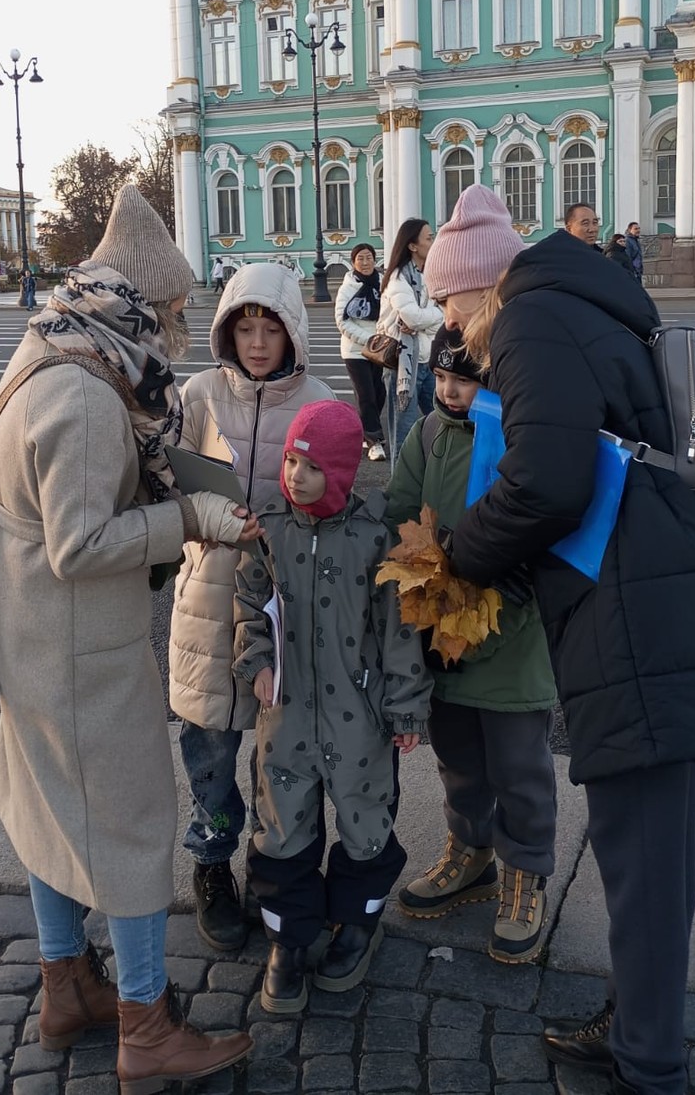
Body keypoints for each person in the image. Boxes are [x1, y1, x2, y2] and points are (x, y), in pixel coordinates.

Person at [447, 228, 695, 1095]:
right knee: (652, 857)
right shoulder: (584, 306)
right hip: (652, 592)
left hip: (635, 608)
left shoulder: (527, 321)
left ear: (481, 288)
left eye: (446, 300)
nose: (445, 325)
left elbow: (549, 478)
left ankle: (651, 1067)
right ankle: (637, 1024)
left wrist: (462, 552)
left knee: (646, 865)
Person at [0, 185, 255, 1086]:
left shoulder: (49, 344)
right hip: (75, 643)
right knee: (134, 817)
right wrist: (190, 517)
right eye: (175, 312)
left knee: (49, 803)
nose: (177, 332)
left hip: (27, 626)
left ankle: (66, 987)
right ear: (140, 303)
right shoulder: (89, 397)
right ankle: (145, 1022)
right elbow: (80, 543)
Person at [234, 401, 431, 1014]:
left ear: (342, 473)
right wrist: (256, 660)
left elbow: (399, 632)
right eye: (291, 461)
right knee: (282, 822)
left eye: (311, 467)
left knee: (364, 820)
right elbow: (248, 603)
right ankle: (288, 939)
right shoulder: (269, 528)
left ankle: (357, 923)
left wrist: (405, 710)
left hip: (359, 719)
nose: (295, 476)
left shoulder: (375, 539)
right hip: (286, 716)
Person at [170, 264, 334, 951]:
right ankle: (211, 862)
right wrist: (209, 515)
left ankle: (276, 870)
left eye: (270, 327)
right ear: (228, 328)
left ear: (292, 330)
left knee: (281, 753)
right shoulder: (199, 393)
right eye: (246, 325)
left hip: (283, 602)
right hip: (209, 596)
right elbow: (165, 492)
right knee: (210, 747)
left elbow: (339, 498)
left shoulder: (321, 399)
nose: (258, 341)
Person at [387, 325, 557, 965]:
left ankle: (525, 870)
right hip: (442, 628)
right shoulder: (427, 435)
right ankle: (471, 851)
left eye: (468, 379)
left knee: (520, 766)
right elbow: (399, 512)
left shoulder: (521, 437)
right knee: (458, 754)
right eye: (444, 377)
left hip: (512, 634)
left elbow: (548, 519)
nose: (453, 391)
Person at [376, 219, 442, 464]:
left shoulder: (429, 275)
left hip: (426, 361)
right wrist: (435, 318)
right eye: (428, 237)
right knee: (403, 436)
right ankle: (399, 494)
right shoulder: (397, 278)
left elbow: (441, 315)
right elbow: (411, 318)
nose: (432, 242)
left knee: (442, 422)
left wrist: (429, 320)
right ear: (412, 245)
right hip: (402, 367)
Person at [335, 242, 387, 461]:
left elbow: (390, 313)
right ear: (353, 262)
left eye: (369, 258)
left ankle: (364, 431)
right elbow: (342, 321)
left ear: (375, 260)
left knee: (379, 393)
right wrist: (371, 339)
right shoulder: (348, 287)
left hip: (380, 350)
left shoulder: (383, 284)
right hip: (355, 351)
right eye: (360, 259)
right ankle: (374, 441)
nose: (365, 263)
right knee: (366, 395)